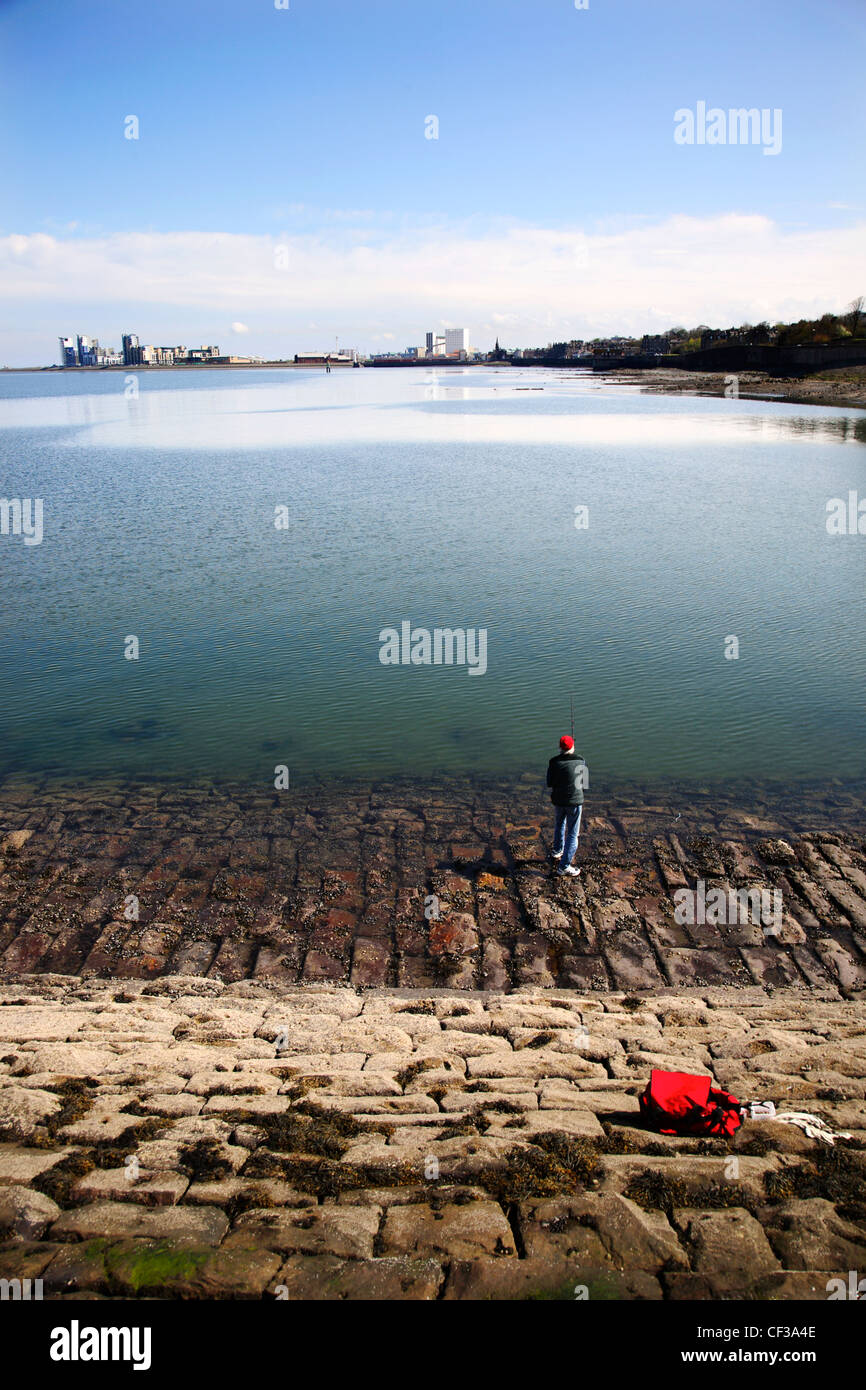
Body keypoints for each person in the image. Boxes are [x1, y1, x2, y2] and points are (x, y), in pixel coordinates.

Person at [546, 735, 588, 876]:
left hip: (558, 801)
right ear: (572, 746)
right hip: (574, 802)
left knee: (559, 824)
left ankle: (557, 850)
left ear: (560, 747)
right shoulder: (580, 761)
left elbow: (550, 783)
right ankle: (564, 866)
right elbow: (585, 784)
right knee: (573, 834)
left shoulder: (553, 762)